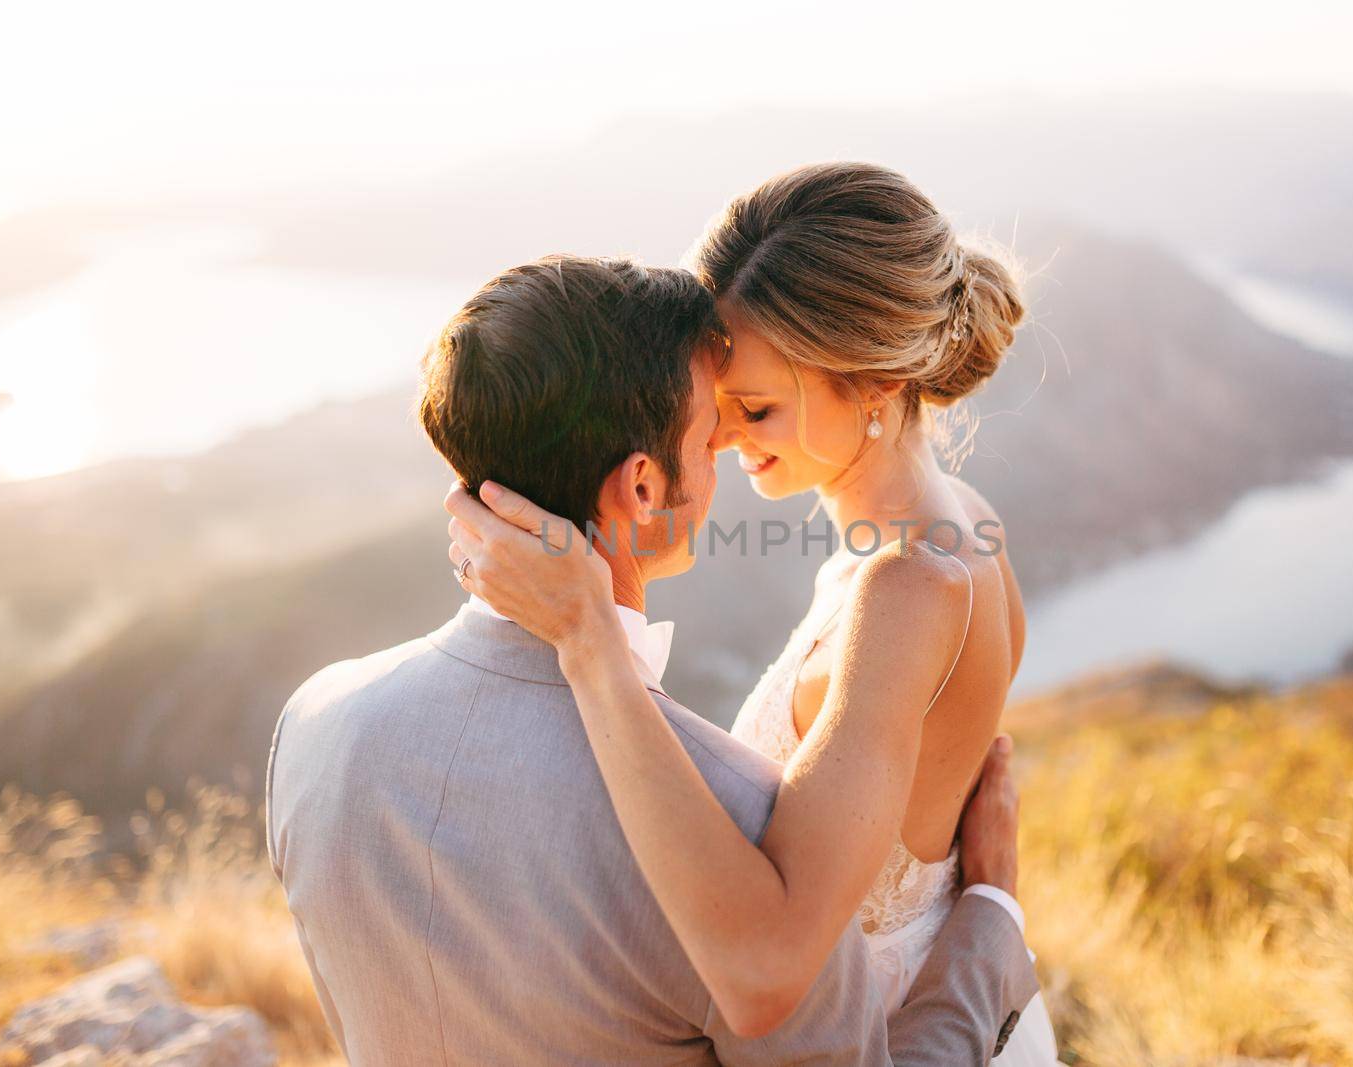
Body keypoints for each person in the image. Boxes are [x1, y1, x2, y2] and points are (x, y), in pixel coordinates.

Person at [268, 254, 1039, 1065]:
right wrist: (990, 917)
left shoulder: (316, 725)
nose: (731, 443)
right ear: (641, 487)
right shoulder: (740, 848)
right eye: (712, 427)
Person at [448, 163, 1060, 1064]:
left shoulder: (909, 586)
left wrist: (589, 637)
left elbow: (769, 968)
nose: (721, 436)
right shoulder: (951, 521)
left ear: (877, 388)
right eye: (718, 399)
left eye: (758, 408)